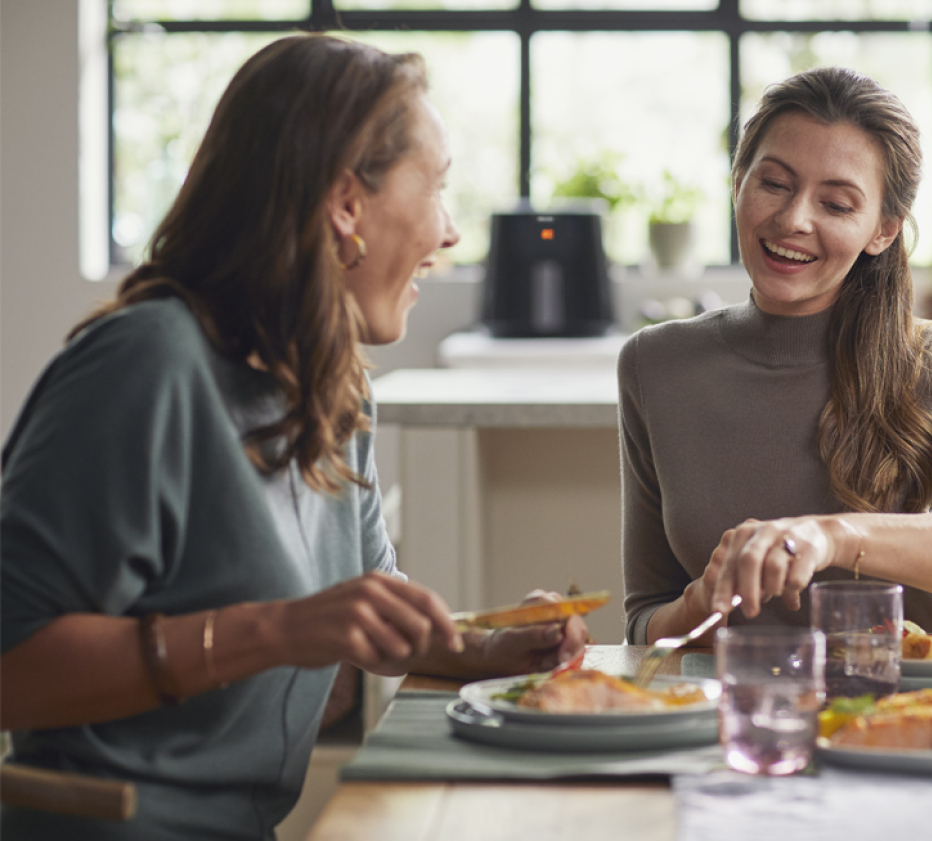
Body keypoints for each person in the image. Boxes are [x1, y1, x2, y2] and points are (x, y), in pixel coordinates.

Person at [0, 35, 587, 840]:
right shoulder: (144, 364)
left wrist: (489, 644)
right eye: (439, 187)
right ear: (347, 202)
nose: (451, 232)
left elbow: (370, 611)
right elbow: (12, 668)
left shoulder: (334, 386)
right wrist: (275, 629)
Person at [620, 67, 932, 644]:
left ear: (883, 230)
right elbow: (645, 621)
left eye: (837, 204)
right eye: (774, 184)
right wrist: (704, 597)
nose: (794, 220)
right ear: (738, 182)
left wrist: (832, 537)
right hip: (733, 715)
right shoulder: (655, 363)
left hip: (916, 713)